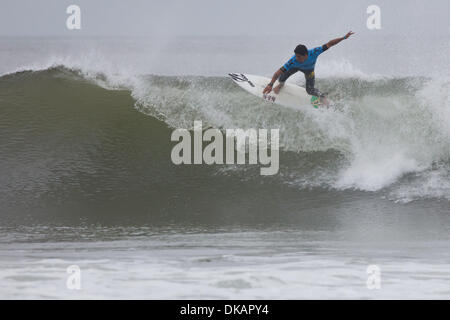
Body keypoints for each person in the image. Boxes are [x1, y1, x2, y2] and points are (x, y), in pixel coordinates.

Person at [263, 31, 355, 106]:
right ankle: (281, 85)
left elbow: (330, 43)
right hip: (295, 67)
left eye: (299, 56)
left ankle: (323, 97)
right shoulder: (293, 61)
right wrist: (270, 84)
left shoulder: (314, 52)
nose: (296, 58)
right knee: (281, 78)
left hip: (309, 70)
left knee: (310, 90)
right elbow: (278, 72)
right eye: (296, 56)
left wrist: (343, 38)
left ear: (306, 55)